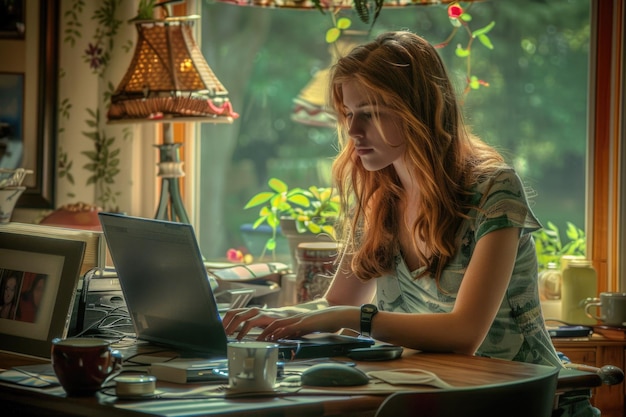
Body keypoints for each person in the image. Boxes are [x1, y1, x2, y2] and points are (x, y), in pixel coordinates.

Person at [222, 31, 596, 416]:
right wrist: (275, 318)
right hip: (437, 394)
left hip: (524, 400)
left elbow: (464, 334)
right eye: (349, 114)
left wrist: (354, 319)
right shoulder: (380, 196)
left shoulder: (494, 190)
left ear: (416, 109)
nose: (353, 132)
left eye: (369, 113)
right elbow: (336, 303)